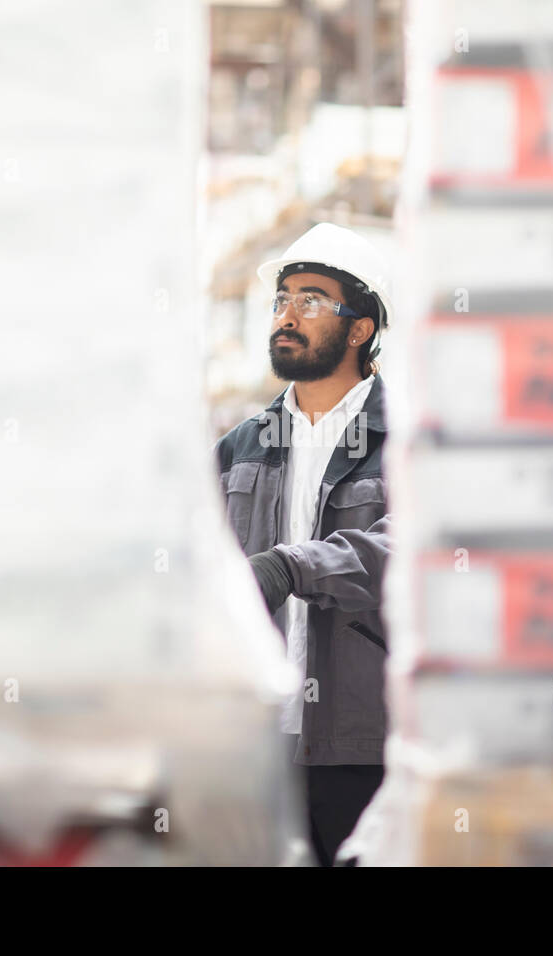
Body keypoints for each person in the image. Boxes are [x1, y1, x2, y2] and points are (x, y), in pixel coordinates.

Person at [213, 222, 394, 867]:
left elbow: (397, 552)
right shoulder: (240, 448)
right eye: (282, 299)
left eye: (311, 300)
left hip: (360, 746)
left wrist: (288, 567)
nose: (287, 315)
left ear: (360, 328)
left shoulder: (401, 441)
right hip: (257, 743)